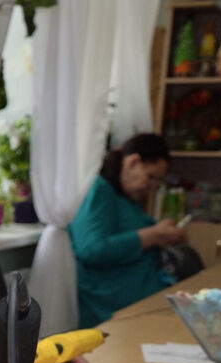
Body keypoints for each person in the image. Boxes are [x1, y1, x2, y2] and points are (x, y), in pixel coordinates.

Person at [69, 133, 187, 327]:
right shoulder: (99, 190)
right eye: (150, 177)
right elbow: (91, 248)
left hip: (140, 300)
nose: (152, 187)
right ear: (133, 162)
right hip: (110, 310)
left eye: (157, 181)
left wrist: (165, 235)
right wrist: (153, 235)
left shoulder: (125, 196)